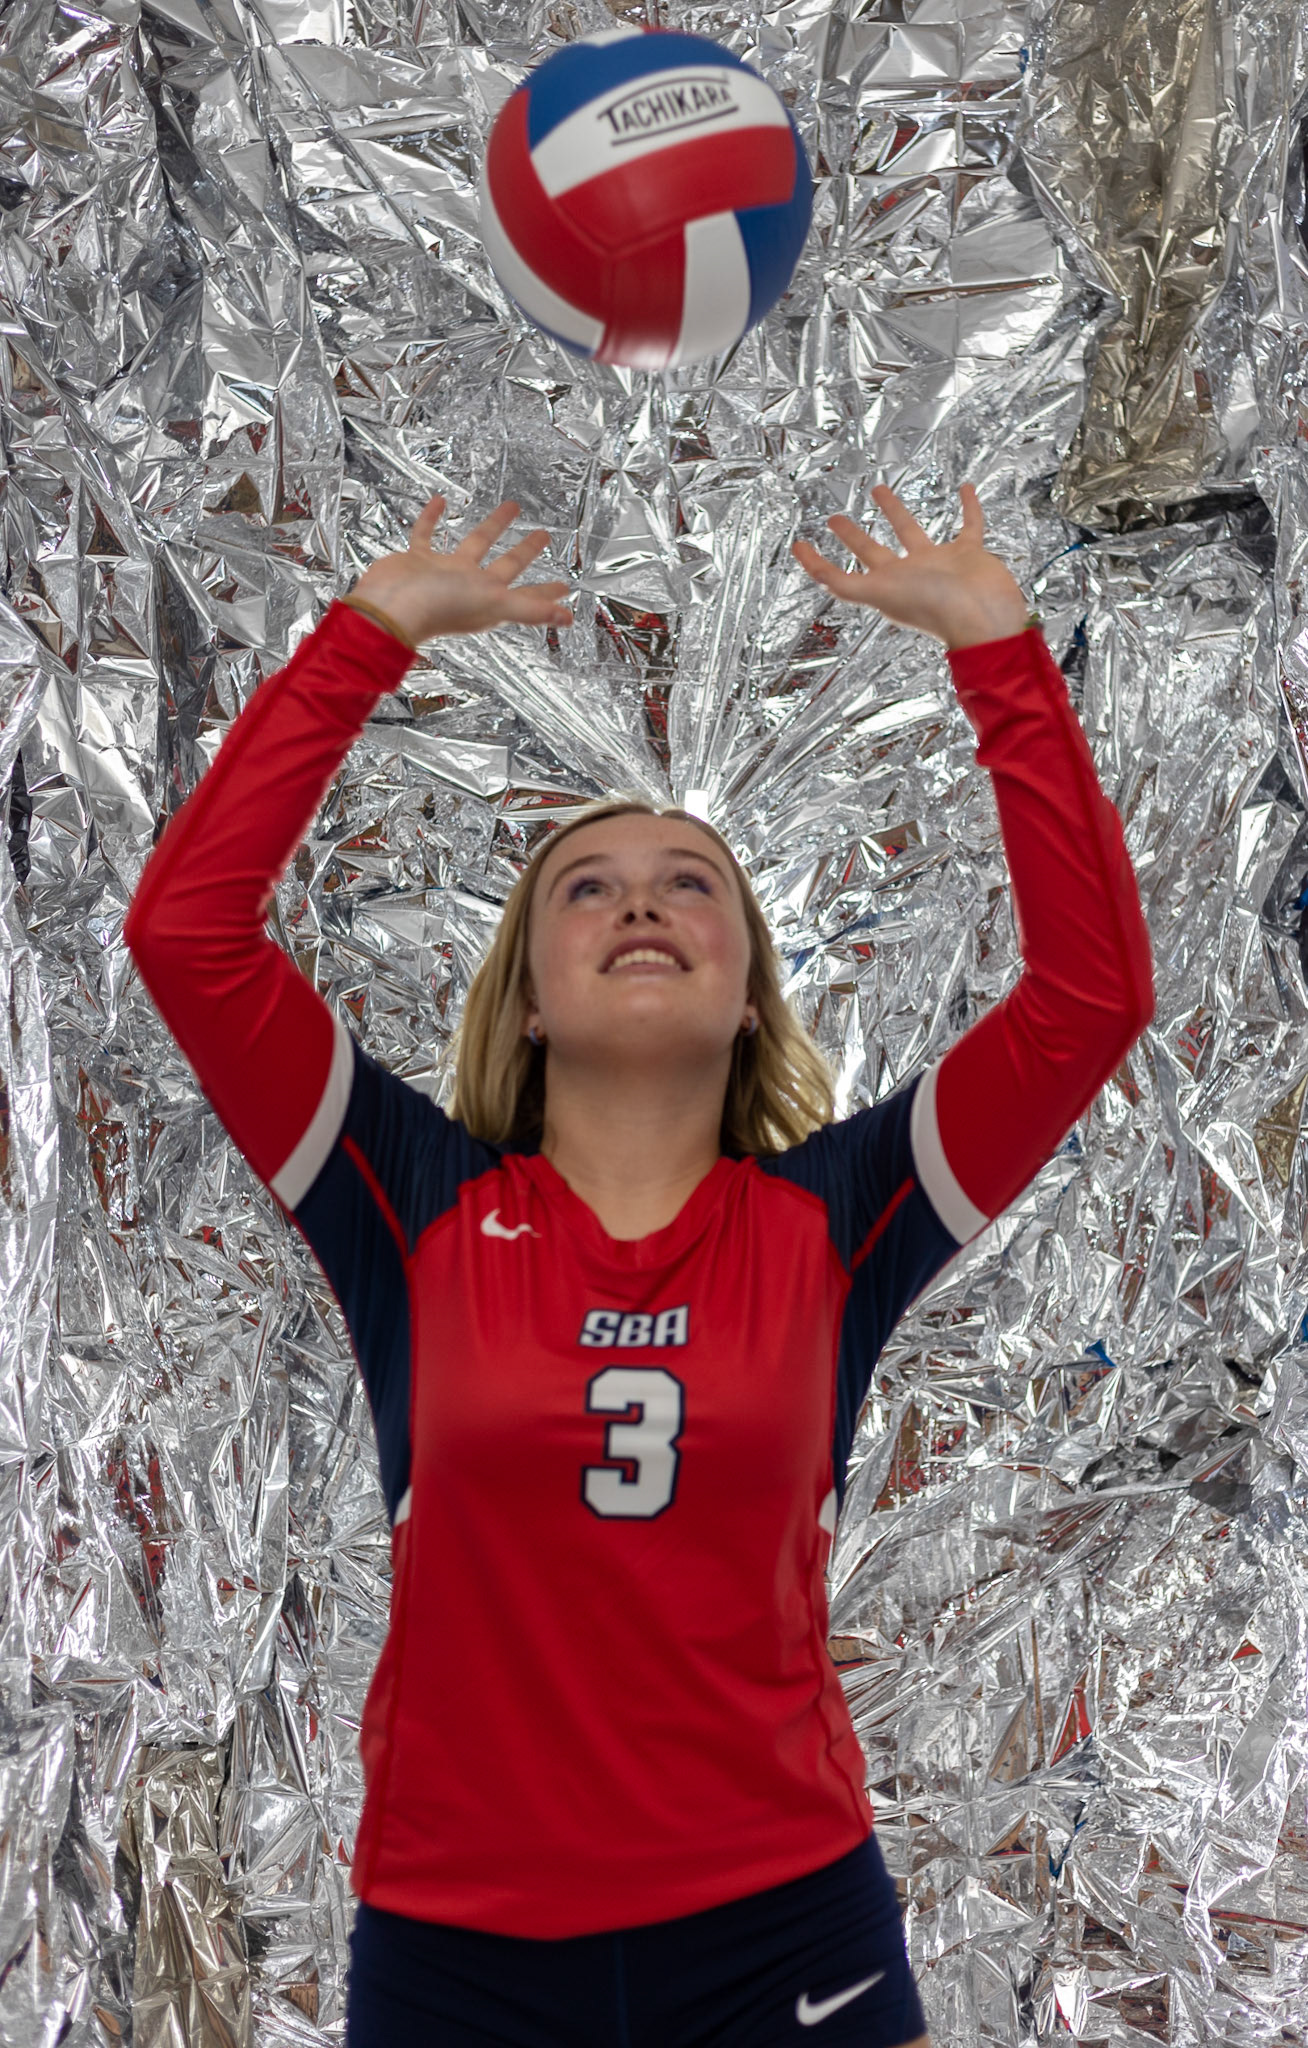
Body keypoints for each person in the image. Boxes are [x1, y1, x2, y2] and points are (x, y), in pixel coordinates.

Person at [124, 483, 1153, 2047]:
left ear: (749, 990)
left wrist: (1000, 652)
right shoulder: (404, 1202)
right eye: (585, 888)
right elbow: (189, 935)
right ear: (527, 995)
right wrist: (369, 636)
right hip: (462, 1944)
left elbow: (1088, 1001)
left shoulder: (838, 1220)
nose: (643, 904)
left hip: (785, 1922)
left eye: (692, 883)